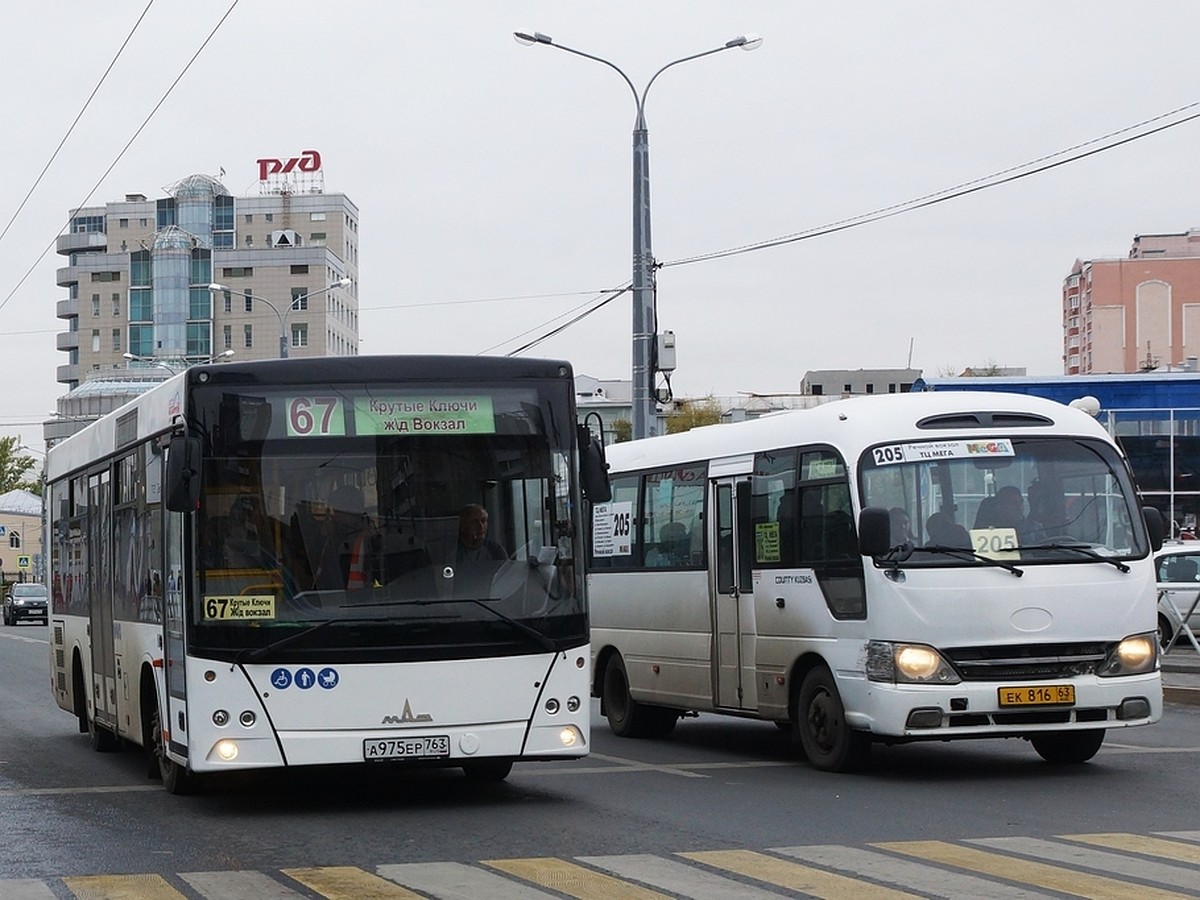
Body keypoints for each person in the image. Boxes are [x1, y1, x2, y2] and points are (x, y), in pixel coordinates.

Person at [454, 504, 509, 597]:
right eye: (474, 522)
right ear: (462, 525)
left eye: (483, 521)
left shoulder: (495, 551)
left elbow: (507, 581)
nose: (481, 526)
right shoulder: (451, 552)